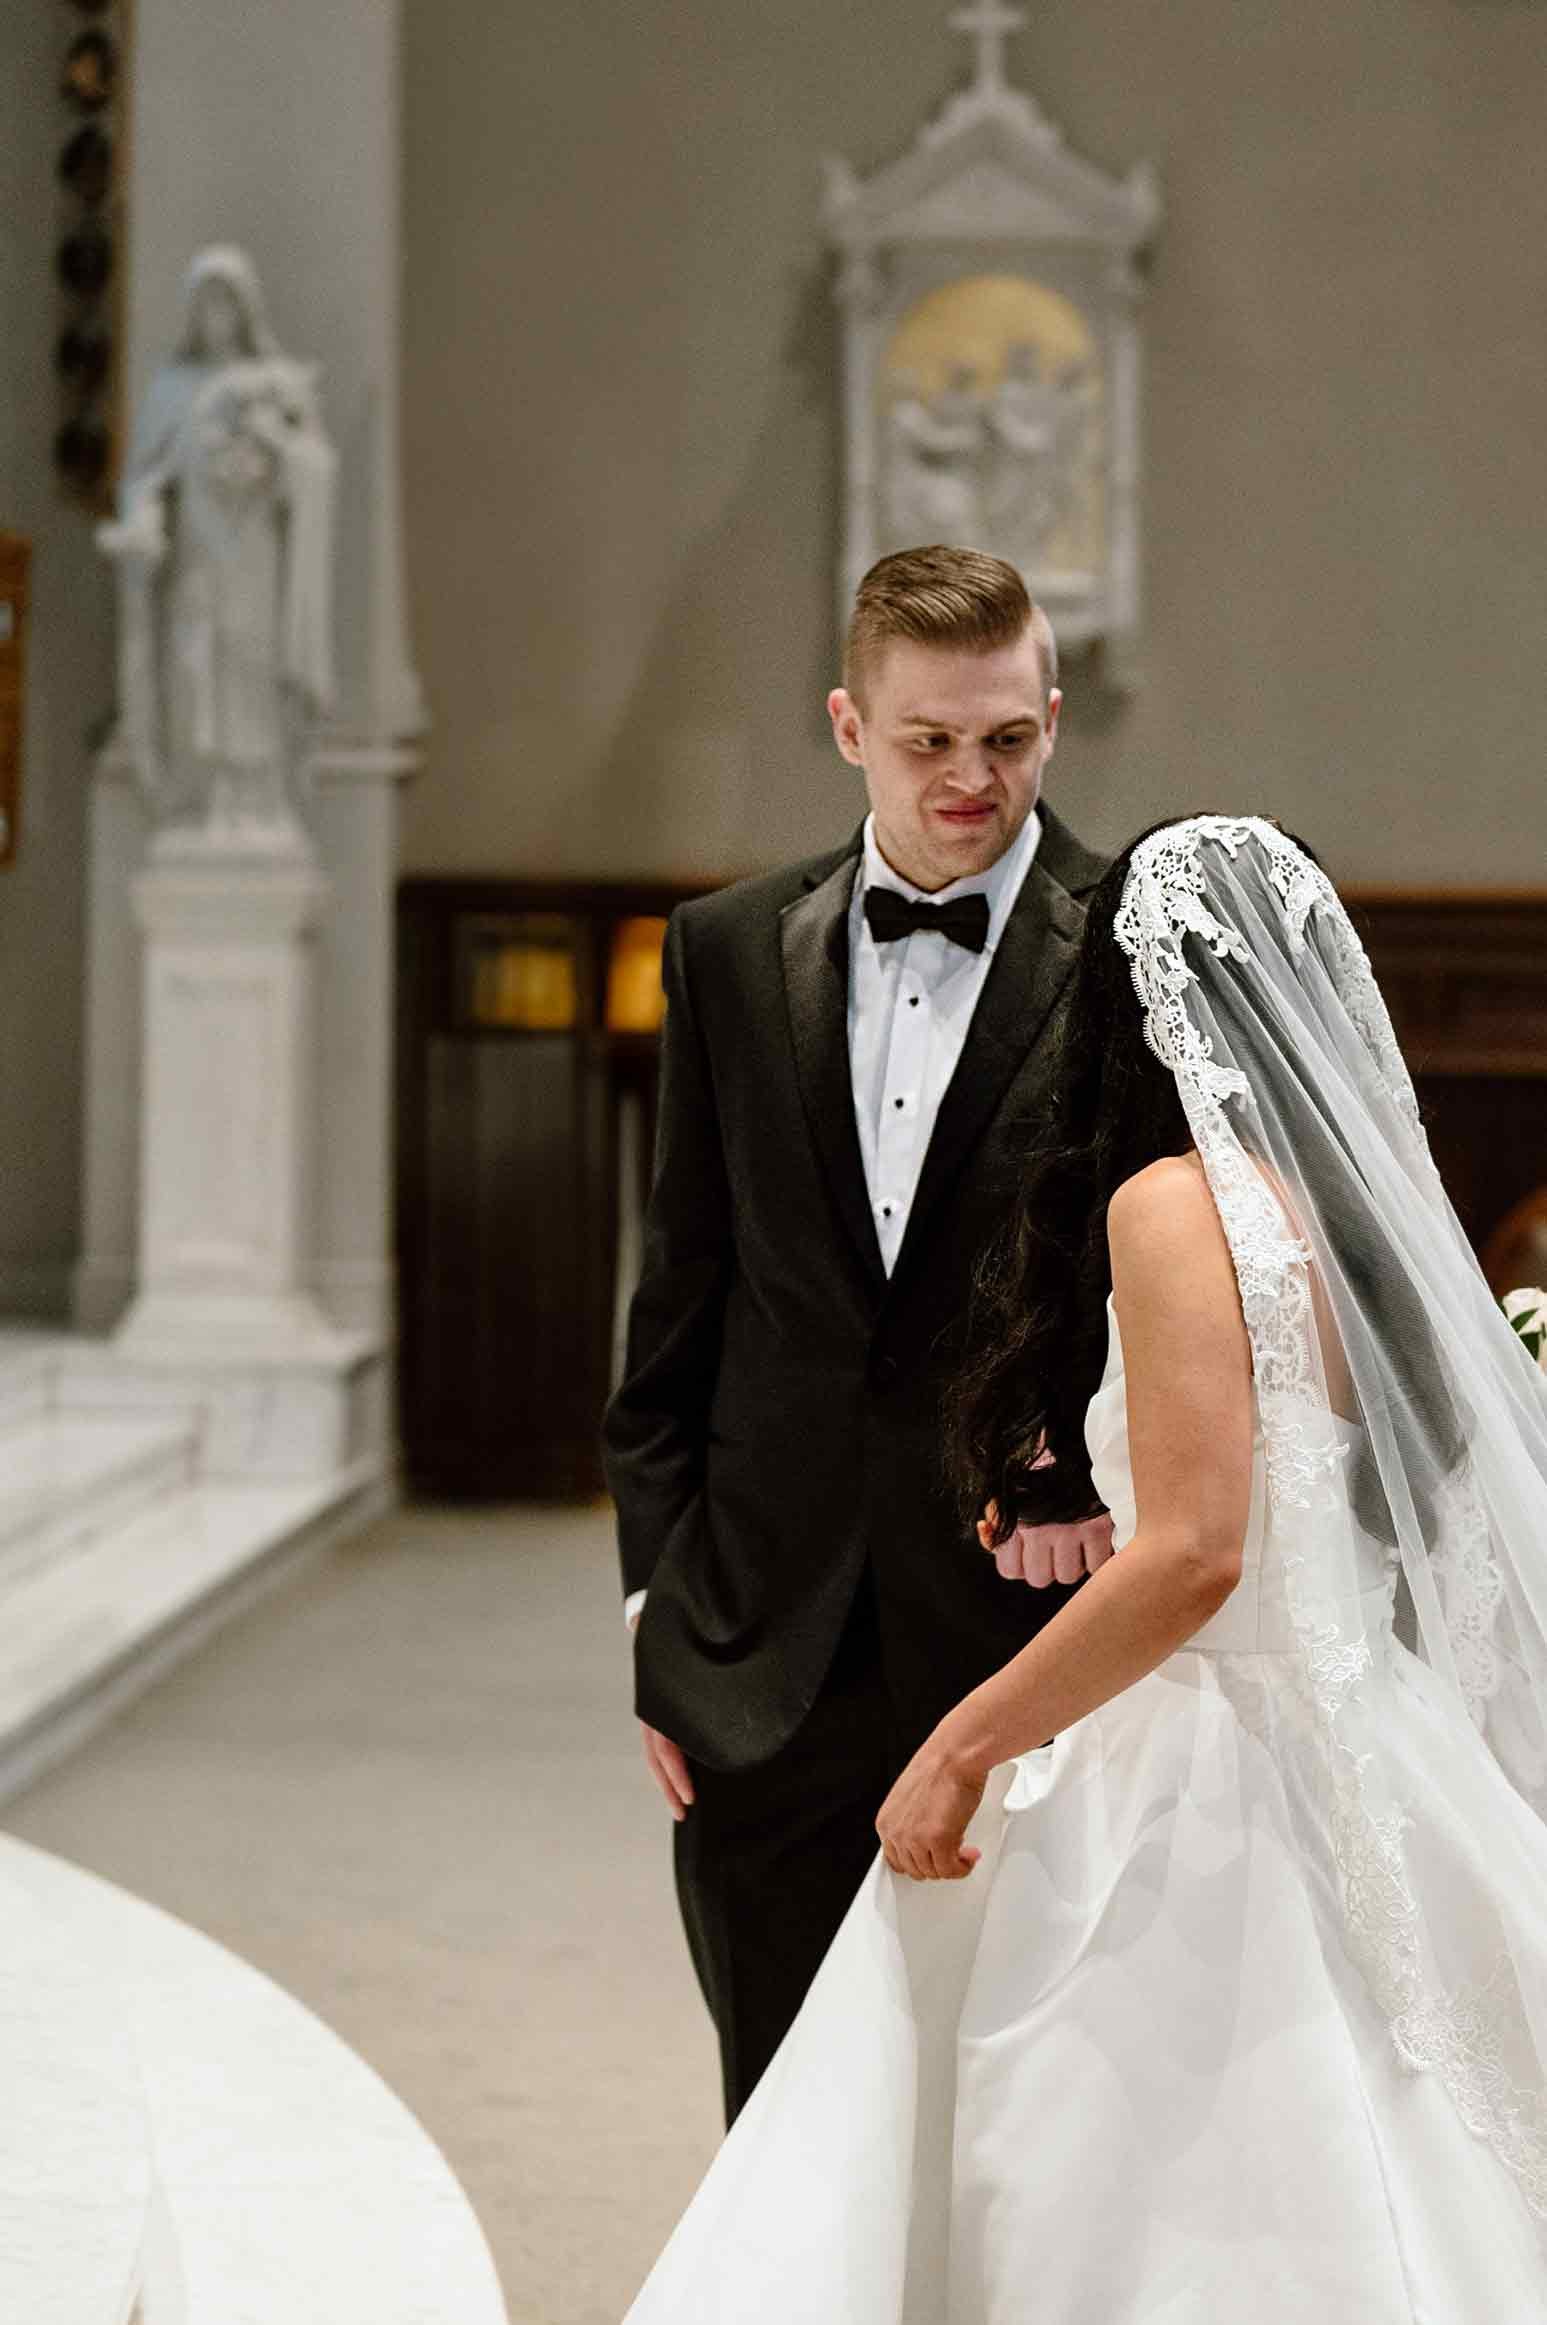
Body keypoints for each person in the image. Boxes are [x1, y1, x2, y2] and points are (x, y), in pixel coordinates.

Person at [621, 814, 1547, 2321]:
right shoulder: (1362, 1217)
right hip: (1366, 1734)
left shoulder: (1177, 1205)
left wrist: (965, 1738)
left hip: (1202, 1770)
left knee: (1107, 2176)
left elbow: (1197, 1556)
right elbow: (1320, 1507)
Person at [602, 546, 1114, 2124]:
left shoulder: (1125, 956)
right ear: (847, 725)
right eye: (928, 740)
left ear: (1051, 713)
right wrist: (655, 1619)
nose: (974, 778)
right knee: (779, 2111)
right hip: (762, 1653)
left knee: (1013, 2130)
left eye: (1009, 737)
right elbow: (679, 1305)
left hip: (1027, 1653)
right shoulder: (724, 952)